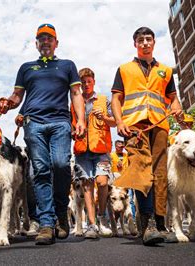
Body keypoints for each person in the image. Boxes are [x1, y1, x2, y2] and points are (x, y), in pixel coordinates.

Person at [0, 23, 85, 245]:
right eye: (41, 39)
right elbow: (17, 96)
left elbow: (76, 93)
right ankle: (46, 223)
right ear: (36, 44)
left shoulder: (67, 65)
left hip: (60, 123)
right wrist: (8, 103)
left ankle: (60, 213)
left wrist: (81, 120)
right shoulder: (26, 68)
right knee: (41, 171)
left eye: (49, 39)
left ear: (56, 43)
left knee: (61, 165)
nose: (45, 42)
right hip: (34, 123)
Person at [110, 27, 186, 246]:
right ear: (135, 44)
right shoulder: (124, 69)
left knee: (160, 174)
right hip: (134, 126)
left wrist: (179, 113)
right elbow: (116, 99)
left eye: (148, 39)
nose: (145, 43)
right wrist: (120, 122)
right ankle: (148, 223)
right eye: (140, 40)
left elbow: (173, 99)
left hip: (160, 125)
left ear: (154, 43)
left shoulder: (165, 71)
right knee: (142, 173)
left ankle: (160, 224)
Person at [71, 67, 115, 239]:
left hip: (101, 149)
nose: (86, 84)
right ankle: (91, 224)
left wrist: (104, 117)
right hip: (82, 150)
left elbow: (114, 122)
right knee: (87, 185)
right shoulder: (75, 102)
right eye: (83, 82)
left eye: (89, 81)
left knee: (102, 182)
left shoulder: (104, 100)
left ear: (94, 82)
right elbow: (71, 125)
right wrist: (73, 132)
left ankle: (102, 218)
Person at [110, 140, 136, 219]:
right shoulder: (111, 155)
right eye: (119, 146)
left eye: (122, 146)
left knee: (129, 200)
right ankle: (115, 220)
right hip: (115, 182)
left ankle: (131, 218)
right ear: (116, 146)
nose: (121, 148)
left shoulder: (126, 155)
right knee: (116, 200)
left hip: (126, 181)